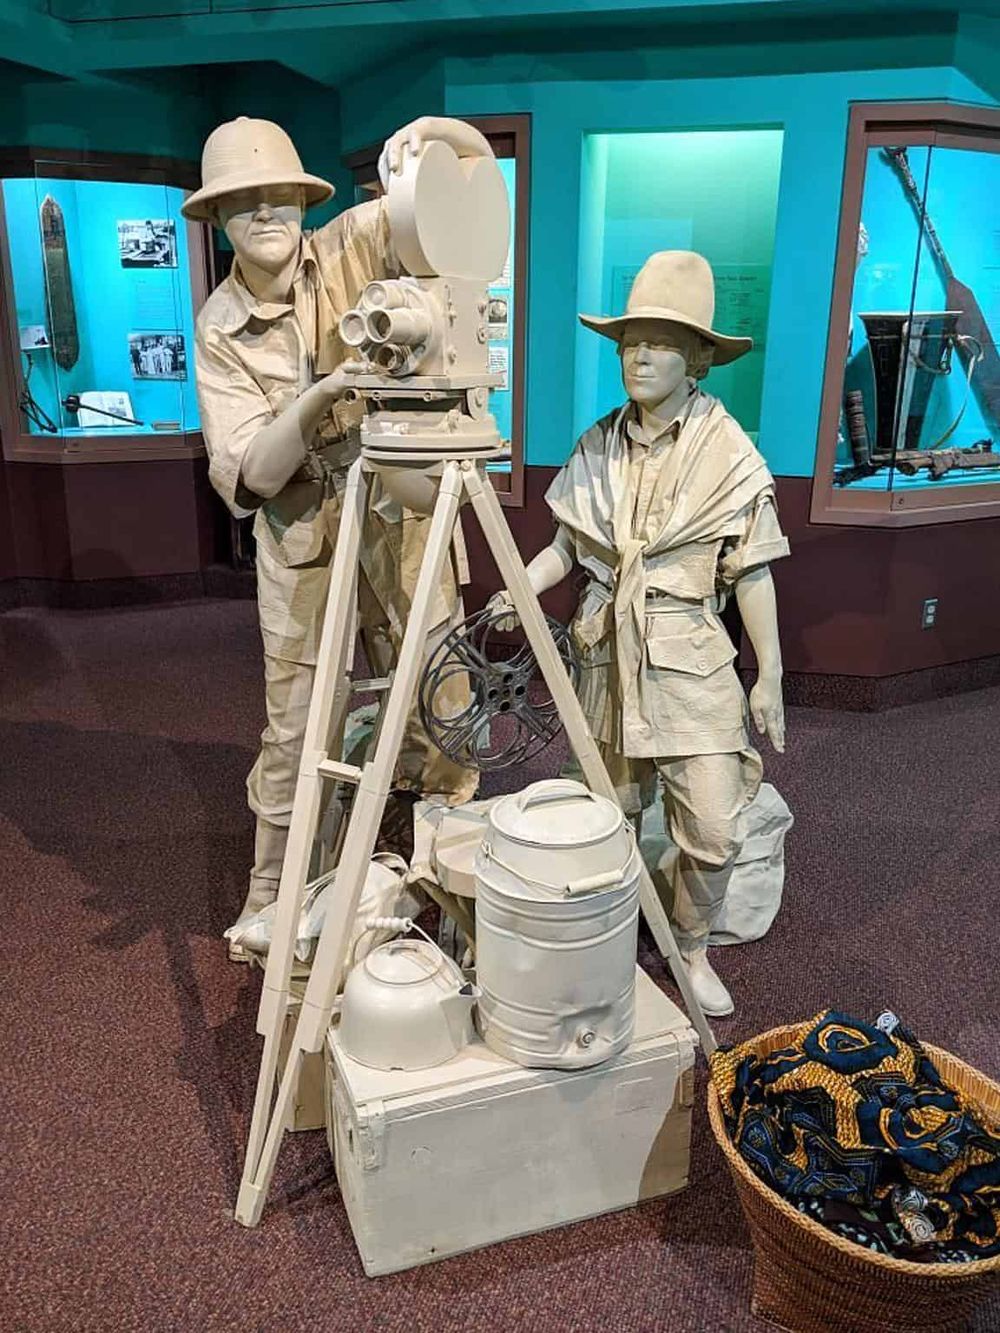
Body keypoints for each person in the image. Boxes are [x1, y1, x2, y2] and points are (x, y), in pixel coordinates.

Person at [184, 115, 484, 956]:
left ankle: (445, 881)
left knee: (439, 690)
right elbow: (254, 475)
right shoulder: (217, 330)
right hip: (303, 532)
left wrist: (440, 134)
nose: (267, 213)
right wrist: (320, 395)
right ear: (219, 220)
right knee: (297, 721)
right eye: (244, 203)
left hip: (403, 507)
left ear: (302, 199)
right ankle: (276, 894)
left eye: (279, 194)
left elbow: (457, 206)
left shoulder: (353, 242)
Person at [491, 251, 789, 1016]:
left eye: (659, 342)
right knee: (610, 812)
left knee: (715, 826)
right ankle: (613, 934)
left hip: (689, 658)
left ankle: (690, 945)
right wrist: (519, 586)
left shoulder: (729, 455)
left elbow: (750, 568)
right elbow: (566, 545)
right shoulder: (598, 445)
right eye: (630, 342)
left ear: (695, 357)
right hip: (607, 655)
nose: (641, 356)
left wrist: (771, 672)